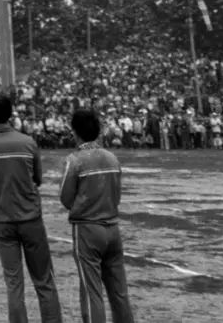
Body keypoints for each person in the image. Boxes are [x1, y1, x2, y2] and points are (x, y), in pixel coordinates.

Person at [0, 93, 62, 323]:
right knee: (44, 280)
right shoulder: (27, 142)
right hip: (30, 217)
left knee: (13, 282)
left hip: (0, 218)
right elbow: (38, 179)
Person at [59, 109, 136, 323]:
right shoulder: (112, 158)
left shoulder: (74, 160)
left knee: (92, 292)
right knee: (119, 293)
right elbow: (117, 194)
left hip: (87, 229)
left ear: (75, 132)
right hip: (112, 227)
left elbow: (65, 197)